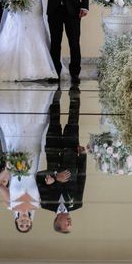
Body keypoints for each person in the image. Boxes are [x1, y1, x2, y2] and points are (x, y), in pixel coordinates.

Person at [0, 87, 55, 233]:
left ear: (17, 220)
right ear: (31, 221)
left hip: (15, 166)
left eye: (21, 225)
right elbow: (45, 184)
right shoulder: (38, 204)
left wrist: (8, 169)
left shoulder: (10, 204)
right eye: (27, 225)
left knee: (16, 135)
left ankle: (12, 97)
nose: (24, 223)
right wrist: (49, 183)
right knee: (33, 136)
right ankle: (36, 97)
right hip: (32, 166)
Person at [36, 86, 86, 234]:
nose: (70, 222)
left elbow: (38, 177)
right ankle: (74, 96)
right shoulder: (77, 204)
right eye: (71, 225)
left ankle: (55, 97)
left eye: (66, 224)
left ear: (57, 221)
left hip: (53, 152)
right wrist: (82, 156)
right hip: (71, 156)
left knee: (54, 122)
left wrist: (56, 176)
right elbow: (82, 179)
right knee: (73, 123)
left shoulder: (46, 204)